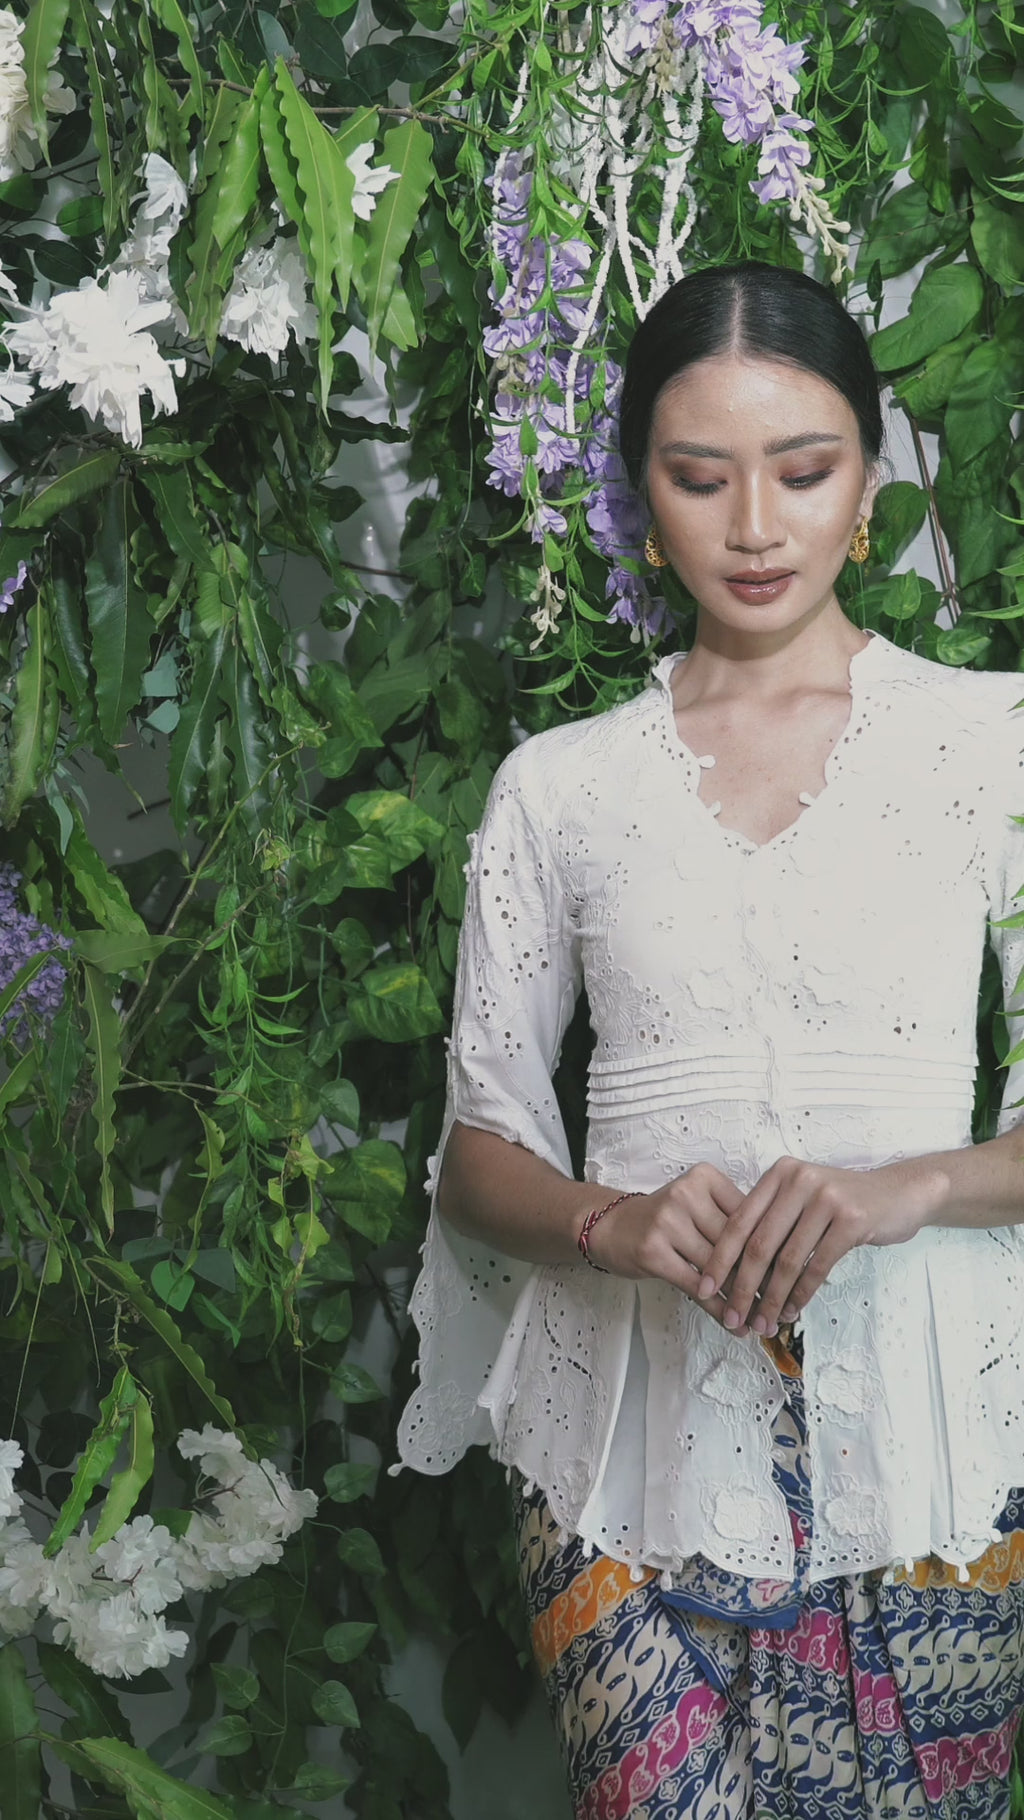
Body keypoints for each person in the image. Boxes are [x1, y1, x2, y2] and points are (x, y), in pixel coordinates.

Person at [395, 261, 1024, 1819]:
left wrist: (910, 1186)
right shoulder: (560, 787)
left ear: (867, 481)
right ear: (641, 495)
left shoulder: (993, 746)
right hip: (622, 1453)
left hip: (937, 1452)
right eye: (700, 476)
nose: (755, 525)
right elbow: (477, 1154)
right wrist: (607, 1222)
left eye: (803, 471)